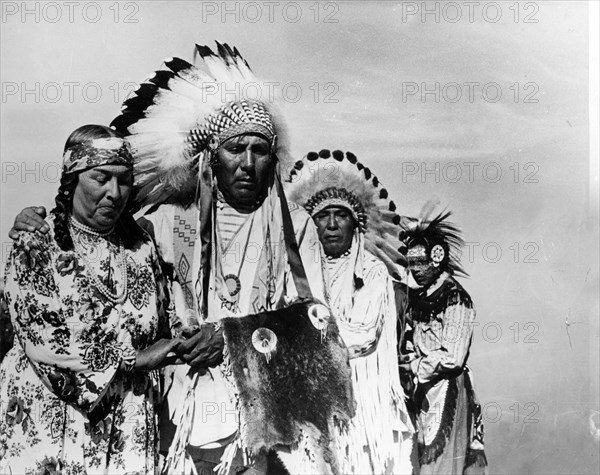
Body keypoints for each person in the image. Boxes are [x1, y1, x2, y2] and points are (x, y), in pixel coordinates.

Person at [9, 44, 343, 475]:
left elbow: (321, 320)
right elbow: (88, 229)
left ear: (273, 157)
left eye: (259, 150)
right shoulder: (163, 223)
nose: (246, 163)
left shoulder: (296, 227)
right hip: (174, 412)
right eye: (234, 148)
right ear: (209, 157)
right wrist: (36, 219)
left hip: (264, 411)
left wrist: (232, 337)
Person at [0, 125, 186, 474]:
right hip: (52, 418)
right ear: (72, 180)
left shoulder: (140, 248)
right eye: (101, 178)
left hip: (127, 421)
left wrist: (187, 339)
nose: (115, 193)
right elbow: (43, 339)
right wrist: (136, 360)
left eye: (124, 180)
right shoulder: (36, 243)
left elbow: (165, 319)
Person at [285, 149, 415, 474]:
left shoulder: (372, 272)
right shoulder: (302, 275)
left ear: (355, 223)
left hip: (361, 406)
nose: (330, 225)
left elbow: (361, 334)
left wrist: (304, 329)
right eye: (321, 216)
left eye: (339, 215)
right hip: (314, 400)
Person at [399, 211, 487, 474]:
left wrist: (415, 367)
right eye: (411, 263)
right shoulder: (417, 299)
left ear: (437, 260)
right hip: (423, 392)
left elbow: (453, 357)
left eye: (421, 262)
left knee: (441, 467)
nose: (415, 269)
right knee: (423, 461)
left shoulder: (456, 299)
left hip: (448, 389)